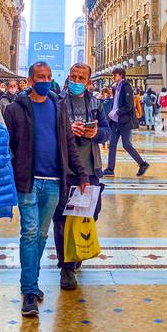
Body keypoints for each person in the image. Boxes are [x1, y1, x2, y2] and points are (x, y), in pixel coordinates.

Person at [6, 61, 91, 316]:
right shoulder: (15, 110)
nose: (45, 80)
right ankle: (30, 290)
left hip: (54, 182)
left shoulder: (57, 106)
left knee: (42, 235)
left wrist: (81, 172)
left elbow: (67, 142)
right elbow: (7, 147)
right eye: (40, 77)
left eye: (49, 76)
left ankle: (31, 282)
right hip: (29, 182)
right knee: (29, 233)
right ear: (30, 81)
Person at [54, 61, 107, 291]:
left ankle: (77, 252)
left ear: (88, 81)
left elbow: (106, 130)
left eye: (81, 78)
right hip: (65, 169)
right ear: (68, 77)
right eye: (73, 77)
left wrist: (96, 133)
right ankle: (66, 267)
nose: (76, 81)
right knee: (62, 218)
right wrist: (67, 130)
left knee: (91, 213)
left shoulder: (95, 103)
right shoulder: (57, 102)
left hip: (90, 167)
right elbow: (48, 131)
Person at [105, 65, 148, 178]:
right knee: (112, 145)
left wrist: (118, 112)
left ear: (121, 75)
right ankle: (110, 169)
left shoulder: (126, 87)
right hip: (115, 121)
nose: (113, 77)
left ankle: (142, 164)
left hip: (124, 121)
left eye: (115, 75)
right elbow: (116, 103)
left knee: (127, 145)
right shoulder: (116, 87)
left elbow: (129, 105)